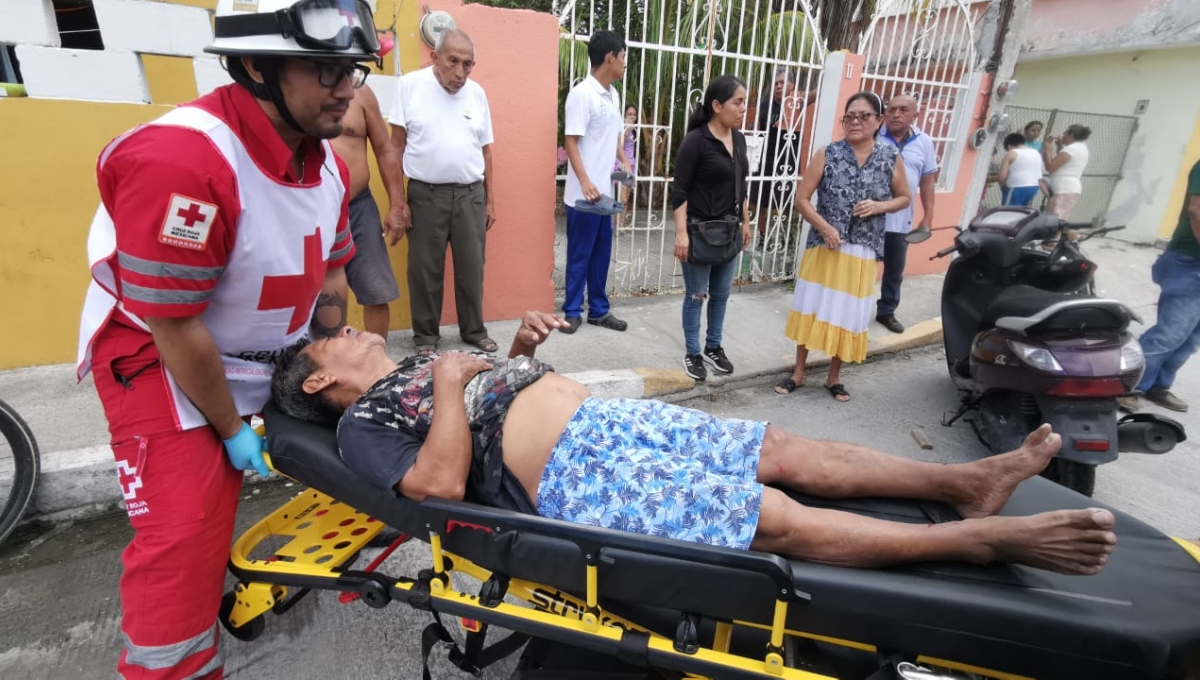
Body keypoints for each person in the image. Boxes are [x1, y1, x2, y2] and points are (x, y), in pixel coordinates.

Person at [269, 314, 1118, 576]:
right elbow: (439, 483)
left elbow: (487, 392)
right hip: (572, 472)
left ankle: (964, 480)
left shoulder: (420, 362)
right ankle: (979, 538)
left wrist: (515, 354)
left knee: (781, 444)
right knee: (766, 516)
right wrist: (453, 386)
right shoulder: (360, 421)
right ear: (315, 381)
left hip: (604, 420)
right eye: (327, 340)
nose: (343, 330)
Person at [74, 0, 376, 676]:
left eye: (353, 71)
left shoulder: (324, 163)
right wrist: (230, 427)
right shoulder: (185, 160)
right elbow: (174, 324)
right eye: (326, 69)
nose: (347, 89)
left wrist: (333, 364)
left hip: (264, 349)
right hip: (158, 359)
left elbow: (330, 272)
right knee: (183, 535)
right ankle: (172, 664)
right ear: (255, 66)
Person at [776, 92, 910, 402]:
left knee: (847, 312)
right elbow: (802, 198)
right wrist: (824, 227)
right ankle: (798, 371)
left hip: (862, 251)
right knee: (811, 306)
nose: (855, 122)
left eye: (864, 116)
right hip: (825, 248)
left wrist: (878, 206)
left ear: (878, 121)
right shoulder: (828, 153)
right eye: (849, 116)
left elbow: (904, 197)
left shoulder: (890, 157)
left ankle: (834, 377)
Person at [388, 29, 497, 355]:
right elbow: (395, 146)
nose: (460, 73)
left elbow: (486, 151)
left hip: (470, 195)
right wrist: (398, 201)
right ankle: (425, 337)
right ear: (434, 57)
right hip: (426, 194)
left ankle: (474, 331)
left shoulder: (477, 94)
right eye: (453, 62)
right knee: (424, 270)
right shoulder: (410, 86)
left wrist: (491, 200)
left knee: (472, 268)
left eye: (468, 64)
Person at [671, 76, 751, 381]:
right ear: (716, 106)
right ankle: (693, 352)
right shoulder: (696, 141)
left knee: (721, 295)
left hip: (730, 230)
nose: (743, 108)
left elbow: (741, 185)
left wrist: (745, 221)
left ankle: (714, 347)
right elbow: (680, 190)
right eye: (737, 102)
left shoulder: (739, 139)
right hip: (699, 233)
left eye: (744, 102)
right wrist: (682, 233)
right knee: (697, 295)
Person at [561, 29, 632, 335]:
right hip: (583, 195)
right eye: (624, 56)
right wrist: (586, 181)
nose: (625, 63)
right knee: (580, 254)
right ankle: (572, 310)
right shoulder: (582, 95)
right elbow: (571, 141)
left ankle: (599, 311)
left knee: (601, 255)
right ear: (610, 57)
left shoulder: (612, 94)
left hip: (605, 193)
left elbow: (613, 134)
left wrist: (624, 158)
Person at [1117, 158, 1200, 414]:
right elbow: (1196, 210)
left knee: (1192, 337)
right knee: (1171, 333)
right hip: (1190, 260)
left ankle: (1158, 384)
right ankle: (1125, 386)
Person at [330, 84, 405, 338]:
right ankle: (324, 363)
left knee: (376, 290)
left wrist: (397, 205)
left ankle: (377, 359)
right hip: (313, 210)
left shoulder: (361, 93)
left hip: (358, 207)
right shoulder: (301, 87)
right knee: (321, 296)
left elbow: (384, 150)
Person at [876, 93, 939, 334]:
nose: (896, 114)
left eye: (903, 110)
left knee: (894, 271)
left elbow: (928, 181)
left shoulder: (924, 142)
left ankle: (887, 311)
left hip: (901, 222)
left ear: (915, 115)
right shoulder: (875, 135)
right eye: (891, 109)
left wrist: (928, 217)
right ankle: (855, 310)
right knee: (861, 268)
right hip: (871, 218)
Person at [1043, 124, 1091, 220]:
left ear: (1071, 135)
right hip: (1065, 190)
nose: (1063, 136)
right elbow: (1064, 162)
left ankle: (1073, 235)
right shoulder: (1080, 147)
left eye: (1065, 133)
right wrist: (1060, 146)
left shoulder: (1071, 149)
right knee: (1052, 221)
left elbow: (1050, 167)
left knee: (1056, 222)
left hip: (1065, 190)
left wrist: (1048, 149)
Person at [998, 132, 1044, 208]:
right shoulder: (1035, 152)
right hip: (1034, 186)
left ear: (1009, 147)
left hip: (1017, 187)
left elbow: (1001, 177)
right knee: (1020, 212)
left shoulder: (1011, 153)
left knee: (1007, 212)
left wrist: (1003, 185)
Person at [613, 104, 638, 232]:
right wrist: (628, 127)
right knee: (620, 197)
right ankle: (615, 224)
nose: (632, 117)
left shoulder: (635, 130)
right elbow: (620, 142)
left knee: (625, 198)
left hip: (631, 165)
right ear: (624, 115)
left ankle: (620, 225)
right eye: (629, 114)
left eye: (634, 114)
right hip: (622, 166)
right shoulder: (624, 128)